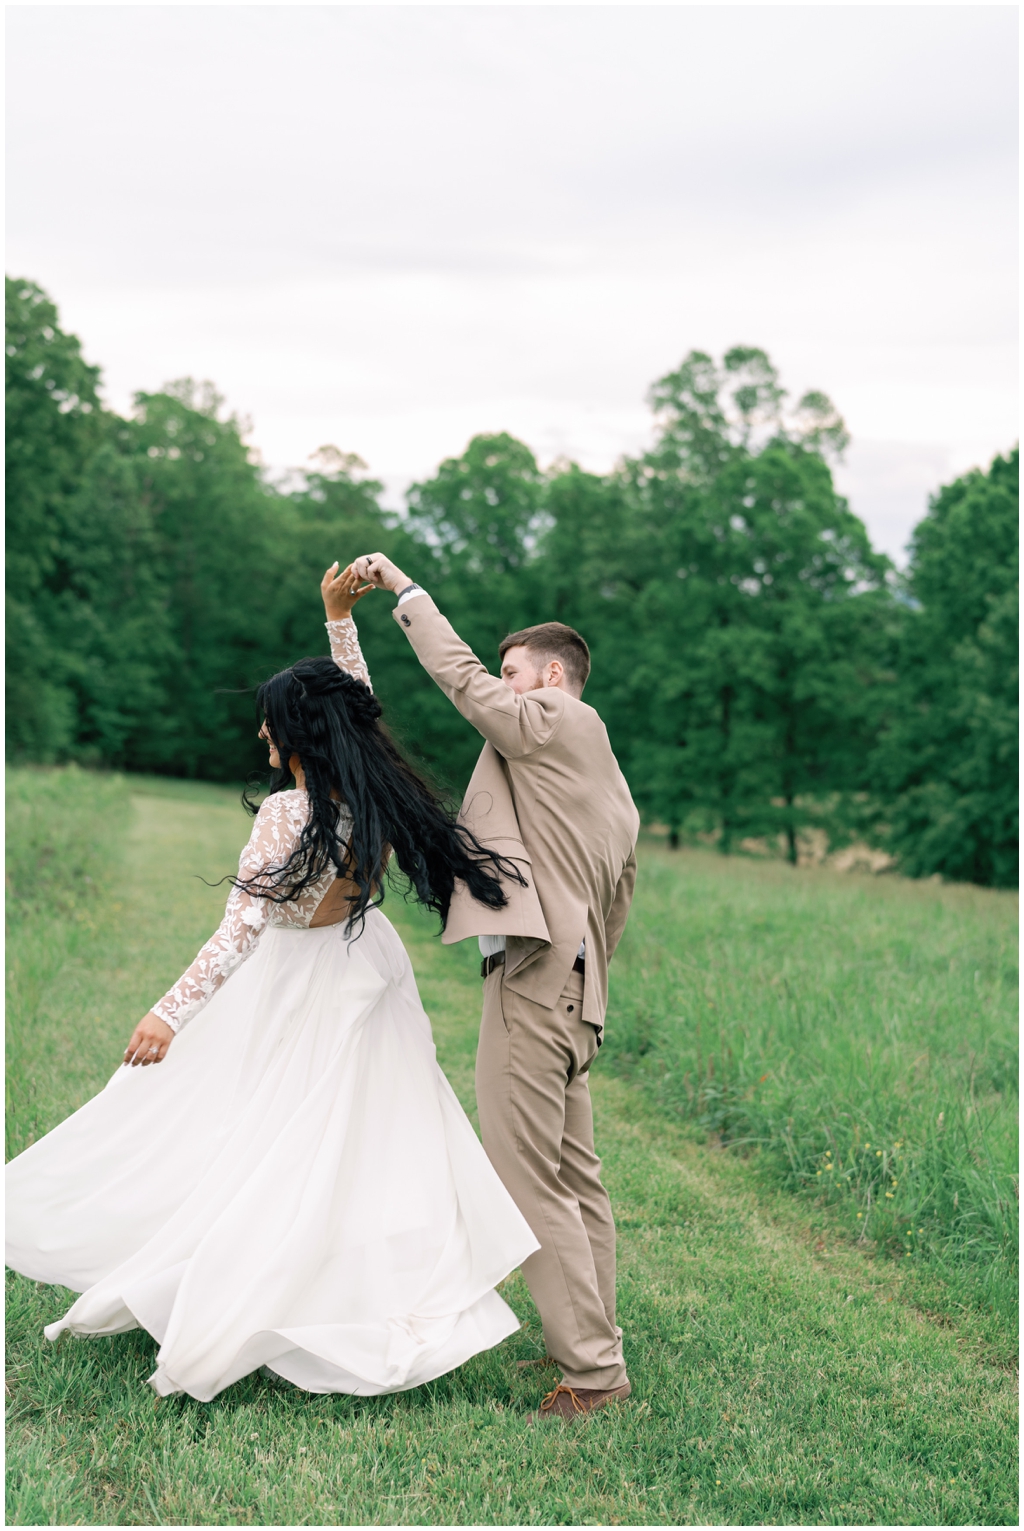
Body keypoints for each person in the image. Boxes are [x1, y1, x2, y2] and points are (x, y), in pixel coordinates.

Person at [5, 567, 539, 1404]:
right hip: (368, 967)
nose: (261, 731)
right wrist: (338, 623)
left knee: (264, 1136)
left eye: (271, 721)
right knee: (361, 1140)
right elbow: (355, 700)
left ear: (298, 733)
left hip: (297, 981)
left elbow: (239, 931)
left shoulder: (289, 813)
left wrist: (167, 1013)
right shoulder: (372, 790)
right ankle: (351, 1286)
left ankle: (254, 1288)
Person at [350, 552, 639, 1422]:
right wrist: (581, 982)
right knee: (575, 1177)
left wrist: (407, 592)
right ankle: (597, 1344)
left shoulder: (552, 718)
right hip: (581, 990)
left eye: (517, 675)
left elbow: (466, 683)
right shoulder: (613, 786)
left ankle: (591, 1373)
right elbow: (617, 904)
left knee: (525, 1180)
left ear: (553, 678)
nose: (503, 693)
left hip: (535, 979)